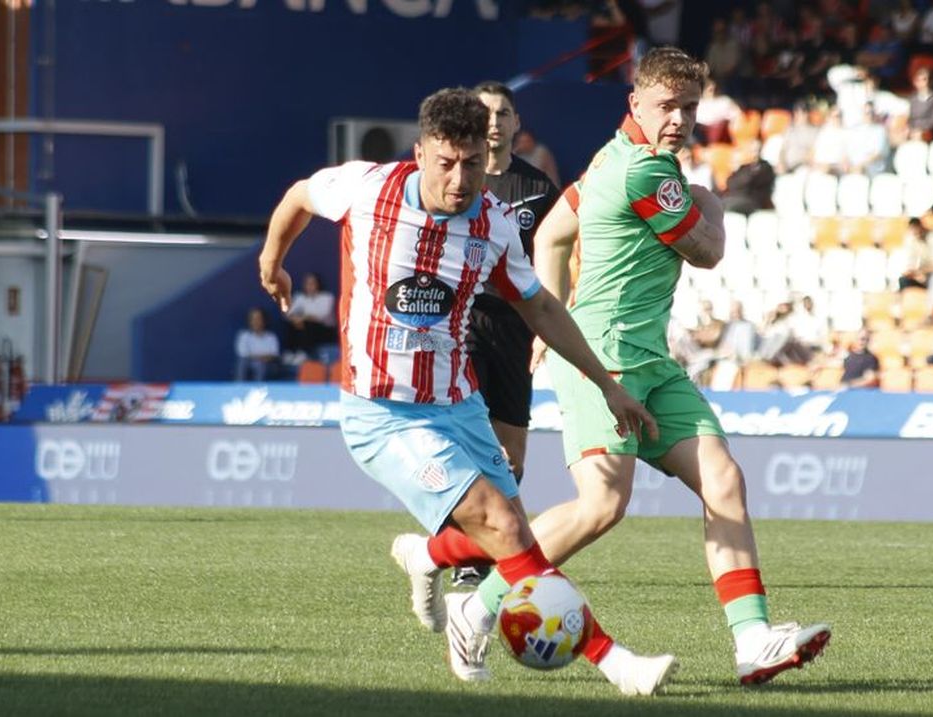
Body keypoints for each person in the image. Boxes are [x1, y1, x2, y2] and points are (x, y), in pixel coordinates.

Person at [258, 87, 672, 694]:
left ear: (488, 154)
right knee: (502, 525)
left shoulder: (494, 225)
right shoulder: (366, 189)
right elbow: (299, 195)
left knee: (515, 537)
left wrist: (607, 387)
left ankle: (427, 555)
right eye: (446, 163)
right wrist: (273, 260)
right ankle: (616, 663)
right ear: (421, 152)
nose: (460, 179)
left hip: (460, 404)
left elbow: (542, 309)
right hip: (382, 413)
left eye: (473, 163)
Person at [528, 48, 830, 684]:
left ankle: (753, 642)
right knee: (601, 506)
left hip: (650, 361)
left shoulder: (607, 161)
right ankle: (481, 594)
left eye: (690, 107)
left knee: (723, 478)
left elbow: (552, 234)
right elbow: (710, 250)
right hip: (601, 359)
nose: (680, 119)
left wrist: (545, 315)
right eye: (668, 105)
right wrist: (710, 201)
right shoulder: (644, 174)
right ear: (635, 102)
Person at [448, 81, 561, 588]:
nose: (494, 121)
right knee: (472, 441)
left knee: (510, 454)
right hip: (465, 322)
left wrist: (544, 329)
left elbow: (555, 261)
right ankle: (467, 560)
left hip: (516, 328)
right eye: (486, 112)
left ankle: (484, 547)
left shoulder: (538, 187)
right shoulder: (456, 182)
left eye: (504, 113)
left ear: (517, 123)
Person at [284, 272, 336, 363]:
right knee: (292, 324)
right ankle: (291, 353)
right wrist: (295, 319)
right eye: (307, 283)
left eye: (312, 283)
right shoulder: (300, 298)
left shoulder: (327, 297)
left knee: (307, 324)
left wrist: (303, 318)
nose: (310, 286)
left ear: (318, 284)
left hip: (324, 330)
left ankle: (304, 354)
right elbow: (288, 313)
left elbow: (321, 316)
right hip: (304, 325)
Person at [234, 307, 280, 381]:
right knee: (242, 363)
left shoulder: (271, 337)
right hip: (248, 363)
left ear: (264, 320)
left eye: (258, 318)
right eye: (253, 319)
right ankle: (239, 388)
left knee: (260, 365)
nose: (256, 321)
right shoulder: (244, 335)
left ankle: (258, 390)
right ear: (249, 321)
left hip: (266, 365)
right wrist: (261, 357)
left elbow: (273, 355)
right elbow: (243, 354)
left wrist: (256, 357)